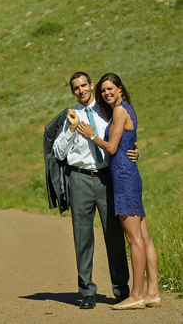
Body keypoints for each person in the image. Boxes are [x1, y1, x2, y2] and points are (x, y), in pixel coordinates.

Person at [45, 71, 137, 309]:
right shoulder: (70, 117)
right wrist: (73, 129)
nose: (81, 90)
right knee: (82, 237)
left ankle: (121, 290)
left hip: (107, 177)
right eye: (76, 88)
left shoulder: (108, 110)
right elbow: (58, 152)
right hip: (79, 179)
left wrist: (136, 152)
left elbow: (123, 139)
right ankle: (87, 291)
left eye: (84, 85)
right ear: (72, 91)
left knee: (114, 235)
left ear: (91, 85)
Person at [77, 74, 160, 310]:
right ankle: (152, 293)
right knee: (144, 237)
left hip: (124, 179)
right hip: (130, 176)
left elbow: (112, 147)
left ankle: (136, 295)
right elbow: (127, 144)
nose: (106, 93)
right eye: (103, 90)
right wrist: (136, 152)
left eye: (109, 88)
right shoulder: (126, 109)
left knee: (134, 239)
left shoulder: (120, 111)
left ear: (120, 88)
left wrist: (91, 135)